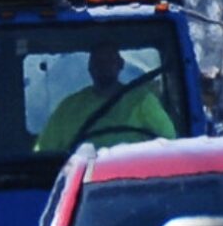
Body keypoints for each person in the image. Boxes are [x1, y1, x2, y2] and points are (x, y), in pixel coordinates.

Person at [35, 44, 178, 154]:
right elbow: (43, 154)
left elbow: (171, 143)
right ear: (90, 67)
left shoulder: (142, 101)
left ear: (120, 65)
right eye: (99, 61)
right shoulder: (68, 108)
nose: (104, 66)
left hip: (135, 182)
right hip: (82, 185)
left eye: (109, 60)